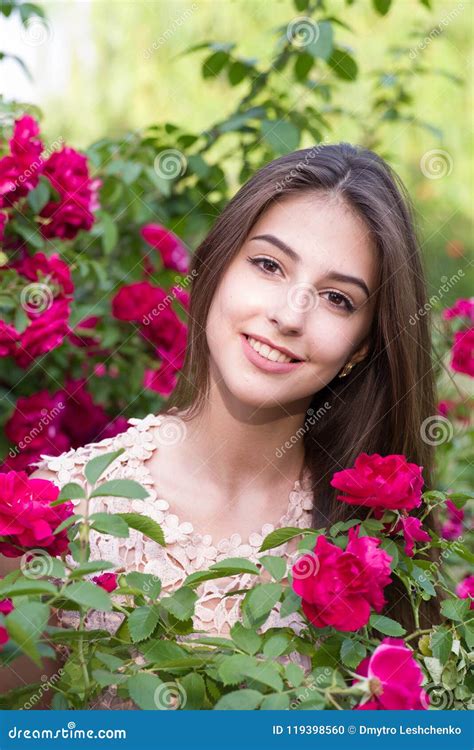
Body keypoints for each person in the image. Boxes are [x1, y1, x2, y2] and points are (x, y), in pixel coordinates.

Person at [2, 143, 442, 708]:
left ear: (361, 347)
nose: (288, 315)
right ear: (214, 266)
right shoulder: (58, 512)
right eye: (268, 265)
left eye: (337, 298)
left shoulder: (374, 544)